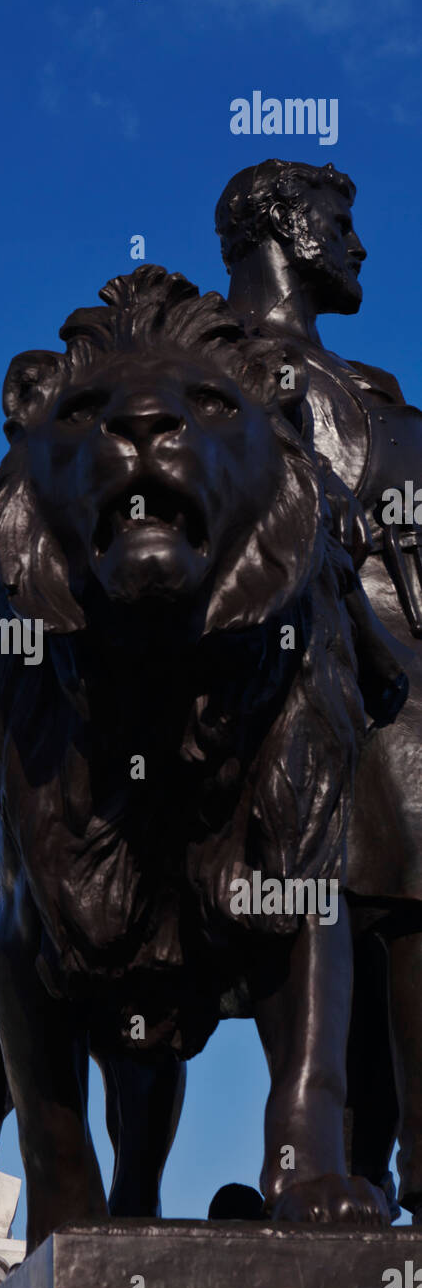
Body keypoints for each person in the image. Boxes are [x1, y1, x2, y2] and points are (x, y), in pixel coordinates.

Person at [216, 158, 422, 1221]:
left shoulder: (380, 392)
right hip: (278, 684)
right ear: (283, 226)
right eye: (337, 222)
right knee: (321, 901)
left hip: (403, 699)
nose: (358, 245)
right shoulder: (196, 365)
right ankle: (311, 1162)